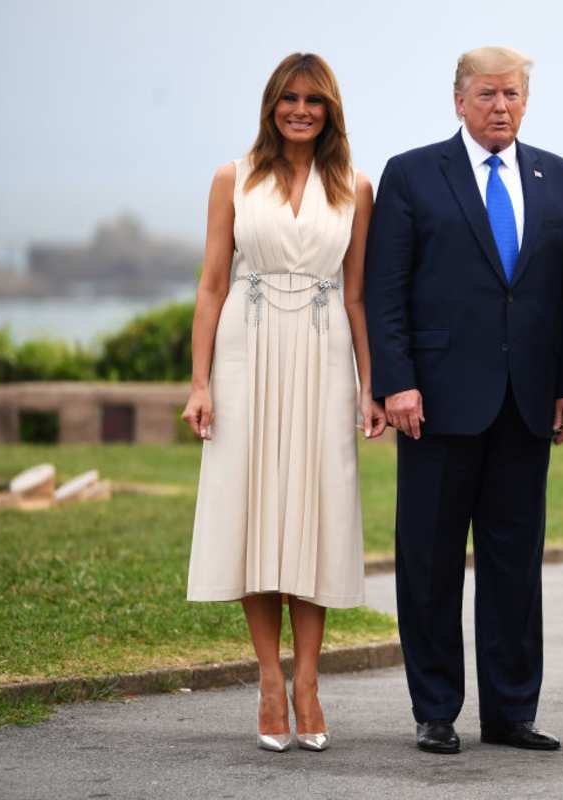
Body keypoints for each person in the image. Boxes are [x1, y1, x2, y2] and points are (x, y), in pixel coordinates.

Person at [364, 46, 563, 755]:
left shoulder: (561, 178)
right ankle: (436, 709)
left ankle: (511, 712)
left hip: (527, 403)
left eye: (513, 94)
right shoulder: (411, 173)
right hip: (433, 402)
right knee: (428, 562)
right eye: (488, 94)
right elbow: (385, 290)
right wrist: (394, 381)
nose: (501, 106)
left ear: (527, 101)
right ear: (459, 99)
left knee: (515, 565)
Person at [183, 52, 384, 754]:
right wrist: (201, 382)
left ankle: (309, 682)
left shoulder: (356, 185)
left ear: (331, 110)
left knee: (317, 514)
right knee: (254, 512)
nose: (301, 110)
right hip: (249, 353)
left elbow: (358, 294)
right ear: (272, 105)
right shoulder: (232, 178)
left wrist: (370, 385)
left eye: (315, 101)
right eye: (289, 98)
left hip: (326, 358)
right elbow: (211, 285)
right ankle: (269, 680)